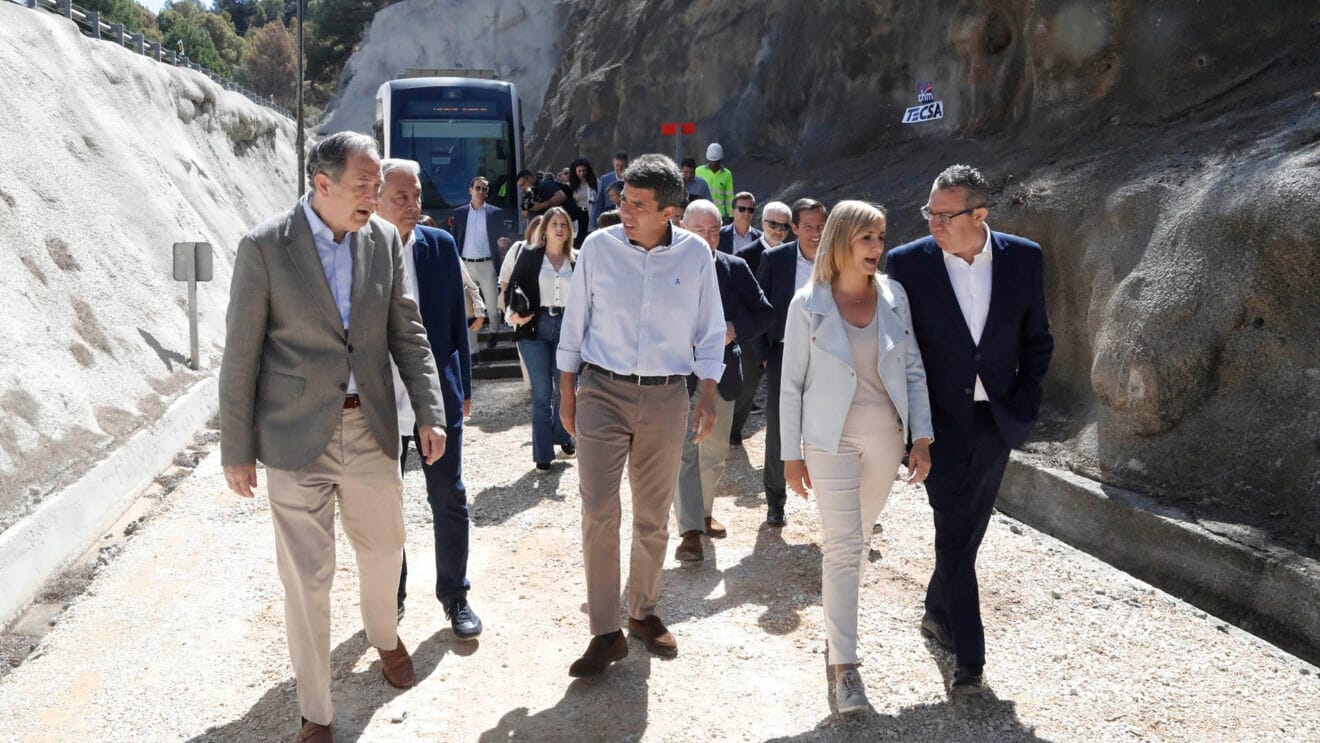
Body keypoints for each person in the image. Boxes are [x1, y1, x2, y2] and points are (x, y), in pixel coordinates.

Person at [219, 132, 447, 742]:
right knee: (307, 578)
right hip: (297, 439)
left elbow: (408, 332)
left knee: (384, 551)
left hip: (370, 426)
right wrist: (236, 448)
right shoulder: (265, 247)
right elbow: (240, 355)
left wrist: (429, 410)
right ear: (321, 185)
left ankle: (384, 637)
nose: (376, 198)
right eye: (363, 186)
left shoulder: (381, 243)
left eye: (378, 186)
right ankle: (315, 711)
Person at [885, 164, 1053, 695]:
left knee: (968, 528)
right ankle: (970, 660)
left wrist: (1023, 403)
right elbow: (899, 351)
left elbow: (1037, 341)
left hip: (997, 421)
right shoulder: (908, 264)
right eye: (928, 212)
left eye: (944, 214)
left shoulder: (1024, 258)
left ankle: (937, 610)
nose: (932, 222)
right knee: (953, 527)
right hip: (937, 427)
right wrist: (911, 429)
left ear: (979, 214)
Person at [556, 154, 726, 677]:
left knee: (653, 518)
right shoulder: (598, 251)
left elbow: (711, 328)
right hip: (601, 393)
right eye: (622, 199)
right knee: (599, 511)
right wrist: (567, 393)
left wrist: (709, 391)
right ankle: (605, 632)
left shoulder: (696, 255)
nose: (623, 210)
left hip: (666, 397)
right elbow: (574, 327)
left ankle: (643, 612)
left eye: (637, 204)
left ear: (669, 212)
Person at [779, 200, 934, 713]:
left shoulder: (896, 296)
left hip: (885, 442)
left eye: (881, 238)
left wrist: (921, 437)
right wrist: (789, 455)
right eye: (867, 238)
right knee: (844, 547)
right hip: (829, 442)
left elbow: (912, 369)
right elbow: (790, 386)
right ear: (842, 241)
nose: (877, 248)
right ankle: (845, 668)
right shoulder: (808, 303)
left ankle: (835, 628)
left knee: (858, 541)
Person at [375, 158, 483, 641]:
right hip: (380, 399)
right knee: (384, 504)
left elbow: (458, 325)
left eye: (417, 195)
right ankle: (389, 597)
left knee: (448, 496)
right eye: (401, 197)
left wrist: (463, 388)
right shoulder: (360, 249)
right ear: (375, 199)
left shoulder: (439, 246)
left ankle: (455, 596)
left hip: (436, 396)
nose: (413, 205)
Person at [672, 199, 773, 561]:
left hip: (725, 374)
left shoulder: (735, 267)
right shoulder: (664, 266)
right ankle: (690, 532)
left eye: (714, 230)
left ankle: (703, 512)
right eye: (699, 230)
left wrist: (735, 329)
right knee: (684, 453)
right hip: (677, 378)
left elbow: (764, 313)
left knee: (713, 454)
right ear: (682, 226)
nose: (707, 237)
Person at [754, 198, 828, 526]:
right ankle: (775, 500)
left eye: (821, 227)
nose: (815, 233)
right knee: (780, 430)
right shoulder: (774, 260)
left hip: (828, 358)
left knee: (829, 428)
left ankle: (833, 499)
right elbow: (759, 311)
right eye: (808, 226)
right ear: (794, 228)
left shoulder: (838, 261)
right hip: (783, 355)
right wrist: (766, 358)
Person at [505, 206, 578, 470]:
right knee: (542, 394)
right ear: (545, 228)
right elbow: (512, 289)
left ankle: (564, 435)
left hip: (568, 328)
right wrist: (513, 316)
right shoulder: (530, 256)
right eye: (554, 223)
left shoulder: (576, 259)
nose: (559, 228)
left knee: (567, 388)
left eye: (564, 224)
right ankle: (543, 454)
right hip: (535, 327)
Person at [729, 200, 792, 445]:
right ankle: (732, 432)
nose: (778, 230)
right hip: (751, 336)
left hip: (783, 335)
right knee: (746, 389)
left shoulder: (792, 255)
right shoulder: (745, 256)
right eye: (773, 224)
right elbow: (740, 301)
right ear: (763, 223)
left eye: (784, 226)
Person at [451, 176, 511, 353]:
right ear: (470, 190)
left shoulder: (495, 213)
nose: (481, 192)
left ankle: (494, 331)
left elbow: (502, 237)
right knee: (471, 310)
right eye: (478, 188)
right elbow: (455, 238)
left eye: (484, 189)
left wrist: (503, 242)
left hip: (487, 264)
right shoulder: (460, 213)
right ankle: (473, 350)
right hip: (466, 265)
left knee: (492, 308)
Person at [695, 142, 734, 221]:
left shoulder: (727, 174)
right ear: (708, 159)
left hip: (719, 214)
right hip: (702, 212)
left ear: (721, 159)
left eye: (716, 161)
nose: (714, 163)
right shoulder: (698, 171)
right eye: (712, 161)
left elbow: (729, 197)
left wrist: (731, 215)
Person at [591, 151, 628, 229]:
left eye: (622, 165)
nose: (619, 168)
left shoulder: (632, 179)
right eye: (617, 165)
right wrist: (594, 225)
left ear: (627, 165)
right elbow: (599, 202)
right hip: (608, 219)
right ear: (613, 165)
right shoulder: (605, 179)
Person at [567, 158, 597, 247]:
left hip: (591, 214)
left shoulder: (595, 182)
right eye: (579, 171)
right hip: (578, 216)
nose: (582, 174)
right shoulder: (571, 185)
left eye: (584, 171)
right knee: (578, 240)